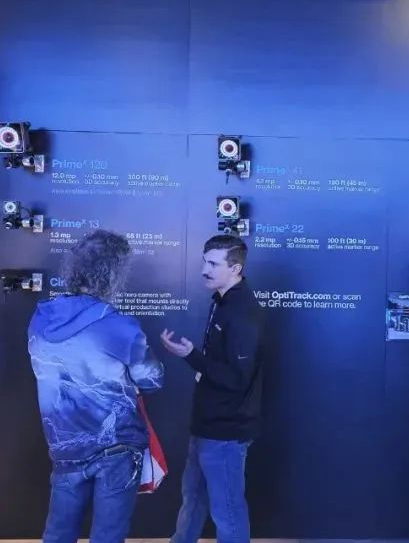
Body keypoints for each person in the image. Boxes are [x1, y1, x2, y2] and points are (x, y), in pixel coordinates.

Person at [28, 230, 165, 543]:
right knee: (108, 535)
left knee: (58, 533)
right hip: (117, 446)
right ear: (114, 273)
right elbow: (153, 379)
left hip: (64, 443)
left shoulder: (41, 319)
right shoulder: (120, 325)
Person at [162, 234, 264, 543]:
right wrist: (193, 358)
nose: (205, 270)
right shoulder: (220, 302)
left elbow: (237, 378)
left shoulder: (243, 312)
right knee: (193, 499)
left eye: (213, 264)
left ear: (235, 269)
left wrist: (192, 356)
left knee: (227, 510)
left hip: (225, 432)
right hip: (206, 426)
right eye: (204, 262)